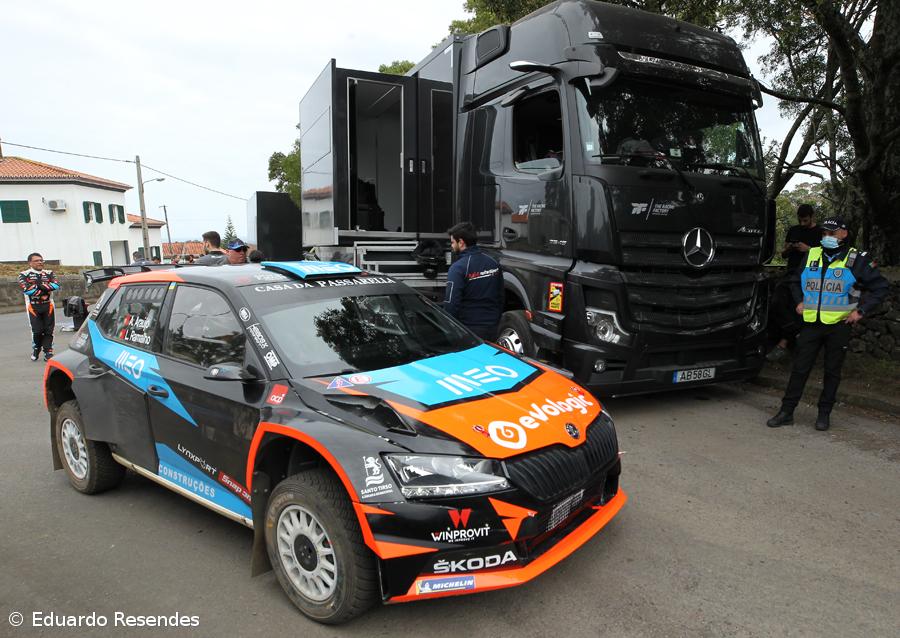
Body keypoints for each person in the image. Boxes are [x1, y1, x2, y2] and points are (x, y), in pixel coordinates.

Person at [767, 217, 889, 431]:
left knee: (832, 372)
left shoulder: (856, 259)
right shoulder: (811, 254)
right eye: (824, 233)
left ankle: (824, 414)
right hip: (811, 323)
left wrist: (860, 311)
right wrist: (799, 301)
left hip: (838, 325)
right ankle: (786, 412)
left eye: (831, 233)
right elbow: (795, 281)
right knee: (799, 369)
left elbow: (880, 287)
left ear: (843, 234)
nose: (827, 237)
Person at [767, 204, 822, 361]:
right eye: (800, 220)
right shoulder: (794, 230)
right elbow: (783, 254)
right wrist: (791, 248)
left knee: (797, 308)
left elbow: (825, 257)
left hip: (809, 276)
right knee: (776, 302)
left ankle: (784, 344)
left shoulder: (819, 233)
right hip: (790, 274)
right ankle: (796, 334)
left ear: (812, 217)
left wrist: (809, 249)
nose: (802, 224)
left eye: (805, 220)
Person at [443, 222, 503, 341]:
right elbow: (501, 296)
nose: (451, 246)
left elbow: (451, 304)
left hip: (469, 330)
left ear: (461, 242)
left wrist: (450, 329)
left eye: (452, 242)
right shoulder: (493, 263)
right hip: (493, 328)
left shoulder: (457, 268)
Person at [18, 252, 60, 361]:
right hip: (32, 306)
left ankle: (48, 351)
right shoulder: (24, 274)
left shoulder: (49, 273)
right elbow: (28, 290)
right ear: (30, 262)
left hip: (48, 305)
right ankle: (36, 348)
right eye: (37, 260)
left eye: (41, 260)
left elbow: (55, 285)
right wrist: (46, 288)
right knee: (37, 330)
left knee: (48, 330)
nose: (40, 262)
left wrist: (37, 287)